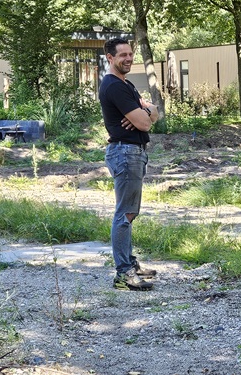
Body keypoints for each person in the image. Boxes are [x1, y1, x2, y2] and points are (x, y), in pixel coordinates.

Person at [100, 38, 160, 291]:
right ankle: (123, 274)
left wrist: (145, 110)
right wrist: (144, 114)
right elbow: (147, 123)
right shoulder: (114, 86)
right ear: (110, 58)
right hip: (125, 152)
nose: (128, 58)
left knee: (130, 212)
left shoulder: (128, 85)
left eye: (130, 53)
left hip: (133, 152)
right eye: (122, 54)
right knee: (124, 214)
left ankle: (130, 264)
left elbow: (153, 112)